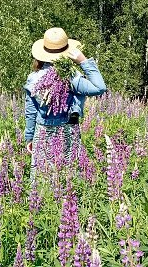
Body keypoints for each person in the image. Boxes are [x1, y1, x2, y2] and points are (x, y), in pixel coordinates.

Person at [23, 27, 106, 180]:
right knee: (68, 177)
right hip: (68, 131)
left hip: (42, 133)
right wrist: (84, 61)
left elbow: (31, 111)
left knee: (42, 177)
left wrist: (29, 137)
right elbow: (100, 87)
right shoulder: (72, 78)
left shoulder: (33, 78)